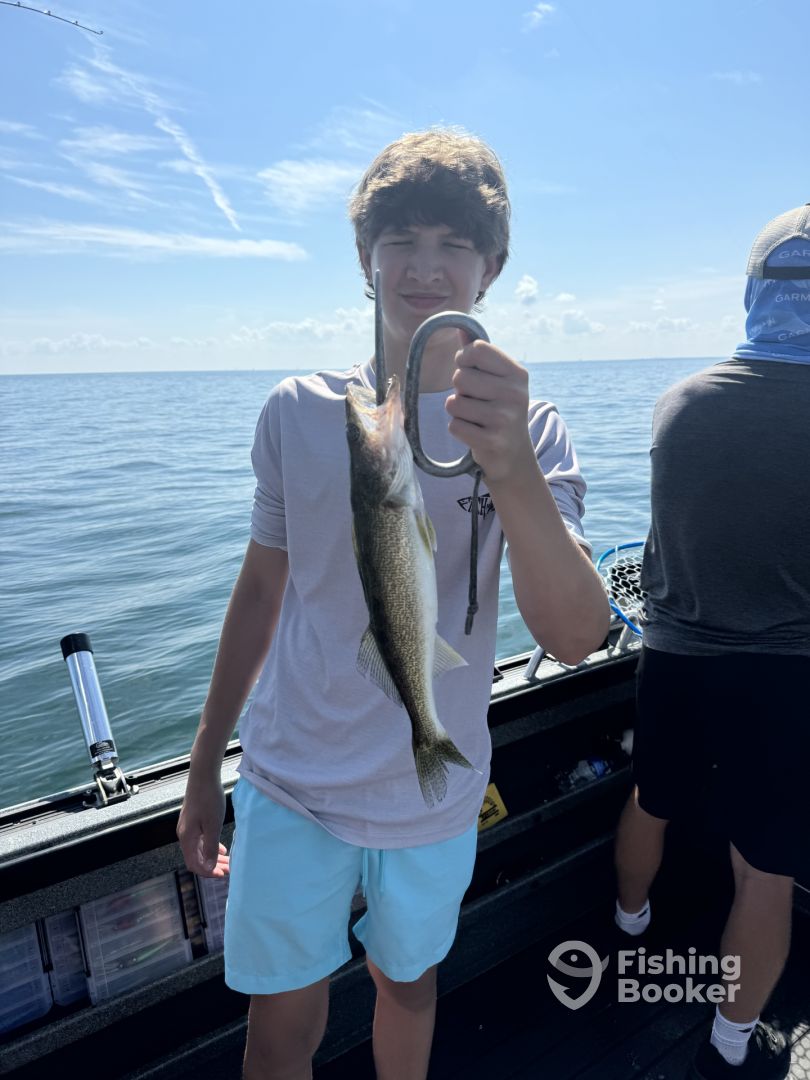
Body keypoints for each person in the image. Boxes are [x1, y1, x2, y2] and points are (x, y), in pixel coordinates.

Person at [177, 128, 610, 1080]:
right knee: (279, 1022)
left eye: (454, 243)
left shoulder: (530, 428)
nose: (424, 265)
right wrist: (205, 762)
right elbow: (261, 588)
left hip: (436, 794)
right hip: (291, 782)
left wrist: (511, 466)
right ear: (364, 257)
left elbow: (577, 636)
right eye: (400, 239)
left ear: (492, 268)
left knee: (408, 987)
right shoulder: (299, 410)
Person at [613, 203, 810, 1080]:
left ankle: (628, 924)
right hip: (787, 682)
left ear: (753, 292)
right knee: (765, 871)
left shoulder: (678, 403)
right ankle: (730, 1045)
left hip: (677, 664)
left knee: (652, 798)